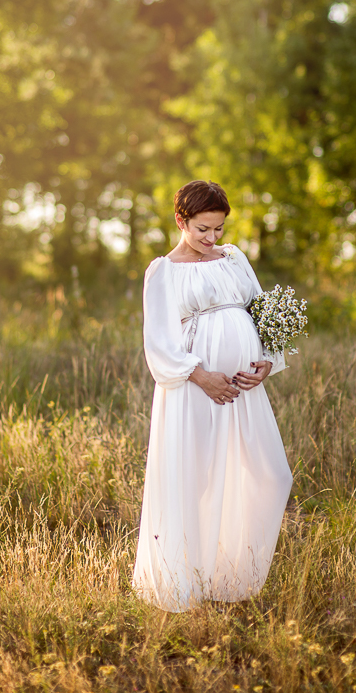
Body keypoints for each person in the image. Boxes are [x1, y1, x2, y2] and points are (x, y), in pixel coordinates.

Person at [132, 180, 293, 611]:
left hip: (241, 390)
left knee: (270, 474)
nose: (211, 238)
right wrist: (200, 376)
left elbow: (259, 312)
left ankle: (231, 578)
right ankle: (184, 584)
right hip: (194, 391)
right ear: (181, 220)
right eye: (203, 228)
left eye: (218, 229)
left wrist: (266, 360)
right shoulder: (163, 271)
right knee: (194, 481)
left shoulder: (234, 258)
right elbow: (159, 343)